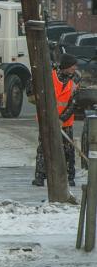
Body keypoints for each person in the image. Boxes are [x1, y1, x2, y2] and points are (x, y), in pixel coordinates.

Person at [33, 53, 78, 187]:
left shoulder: (74, 81)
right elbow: (41, 96)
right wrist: (50, 117)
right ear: (66, 66)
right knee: (44, 148)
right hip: (46, 119)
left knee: (68, 150)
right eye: (72, 66)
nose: (75, 68)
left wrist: (61, 119)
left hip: (65, 122)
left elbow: (73, 104)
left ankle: (69, 177)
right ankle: (40, 176)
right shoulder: (49, 77)